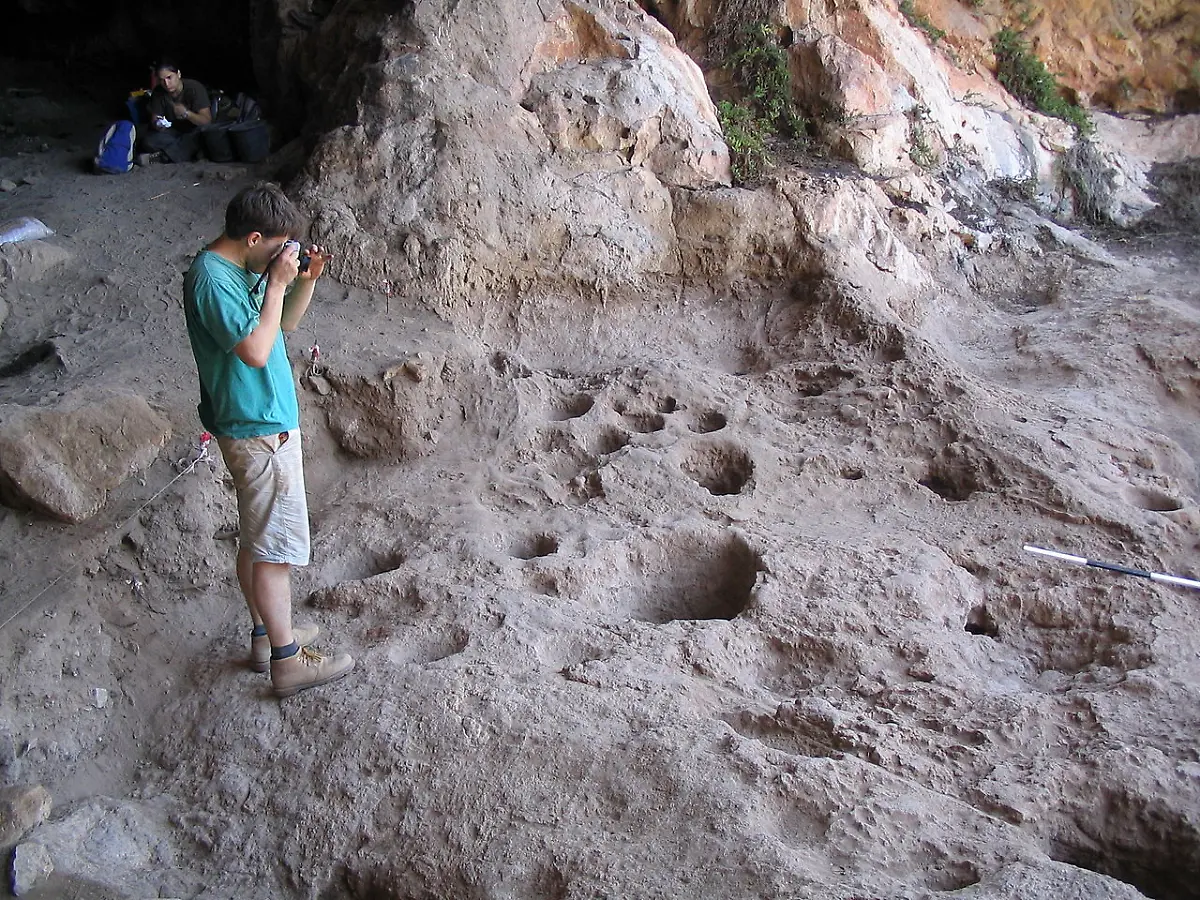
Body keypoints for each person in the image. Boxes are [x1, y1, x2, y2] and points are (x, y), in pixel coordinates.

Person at [183, 182, 354, 698]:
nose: (282, 254)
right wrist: (277, 283)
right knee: (274, 550)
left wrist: (303, 283)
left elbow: (282, 327)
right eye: (277, 245)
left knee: (259, 540)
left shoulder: (238, 269)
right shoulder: (212, 280)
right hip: (256, 428)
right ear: (253, 236)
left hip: (262, 422)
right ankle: (287, 660)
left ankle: (265, 636)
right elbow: (256, 352)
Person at [138, 59, 212, 165]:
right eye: (162, 80)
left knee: (201, 135)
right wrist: (158, 124)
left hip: (194, 130)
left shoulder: (194, 88)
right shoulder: (159, 92)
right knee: (148, 140)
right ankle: (187, 152)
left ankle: (163, 157)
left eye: (169, 78)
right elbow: (155, 118)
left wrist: (187, 113)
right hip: (174, 132)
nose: (166, 84)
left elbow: (206, 121)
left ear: (178, 74)